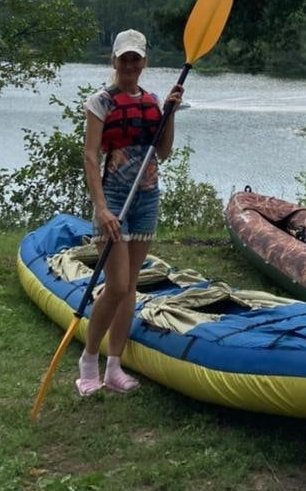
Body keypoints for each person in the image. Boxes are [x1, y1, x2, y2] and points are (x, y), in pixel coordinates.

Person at [76, 28, 184, 396]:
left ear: (144, 62)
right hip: (115, 197)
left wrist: (169, 114)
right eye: (124, 58)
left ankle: (114, 368)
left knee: (131, 287)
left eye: (136, 58)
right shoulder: (100, 102)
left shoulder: (153, 103)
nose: (130, 65)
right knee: (117, 286)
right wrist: (101, 207)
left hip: (147, 197)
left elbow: (164, 152)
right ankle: (88, 362)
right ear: (114, 61)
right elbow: (91, 157)